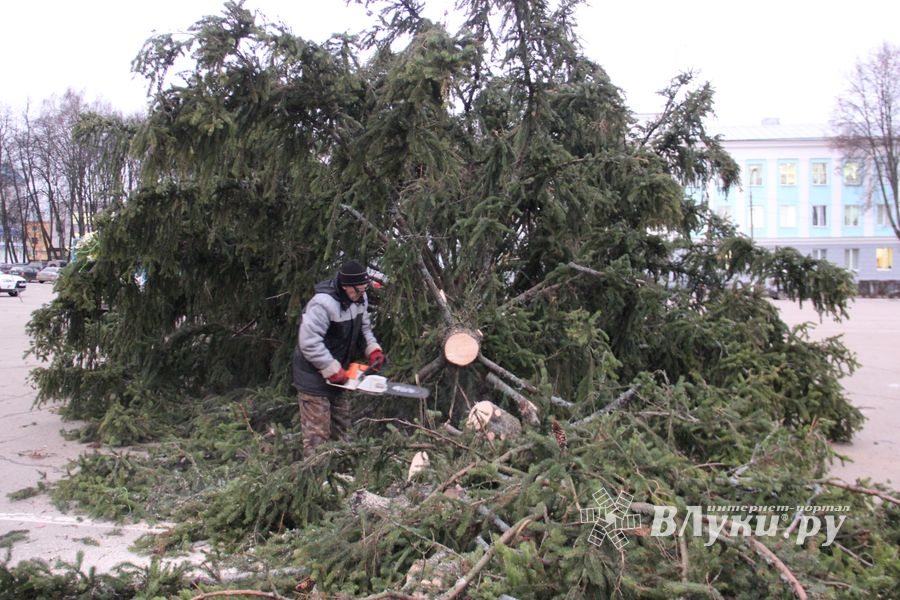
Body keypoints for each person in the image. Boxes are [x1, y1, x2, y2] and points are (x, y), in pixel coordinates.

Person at [292, 260, 385, 458]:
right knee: (317, 438)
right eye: (358, 290)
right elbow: (309, 342)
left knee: (344, 431)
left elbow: (364, 328)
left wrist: (373, 349)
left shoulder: (360, 299)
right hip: (313, 377)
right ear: (345, 286)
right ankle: (316, 483)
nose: (362, 294)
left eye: (364, 289)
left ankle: (345, 478)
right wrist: (330, 368)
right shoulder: (322, 304)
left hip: (340, 374)